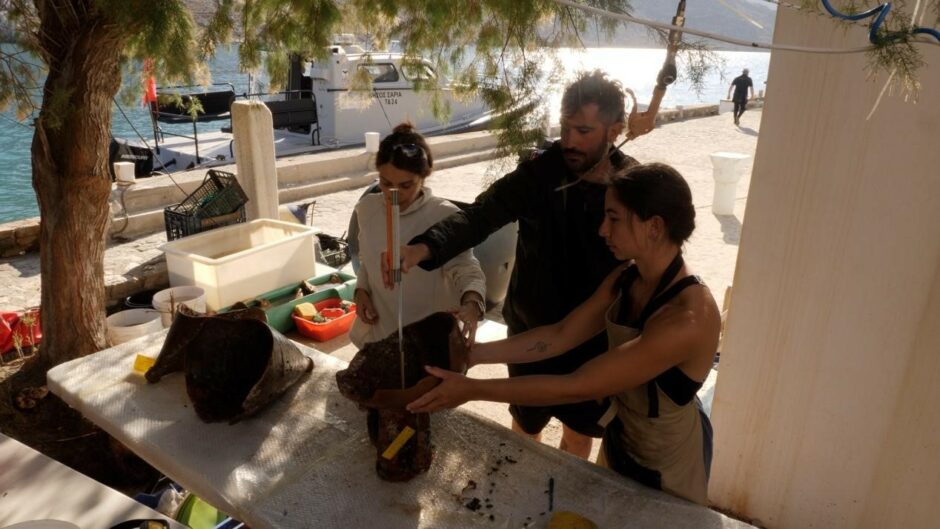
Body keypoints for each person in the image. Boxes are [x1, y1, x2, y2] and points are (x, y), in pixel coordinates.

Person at [408, 163, 720, 505]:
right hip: (621, 440)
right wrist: (472, 354)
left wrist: (472, 390)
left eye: (614, 218)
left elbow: (579, 385)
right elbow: (559, 336)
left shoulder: (687, 318)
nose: (602, 230)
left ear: (654, 227)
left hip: (669, 463)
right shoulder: (627, 278)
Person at [391, 70, 638, 459]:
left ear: (615, 130)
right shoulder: (541, 170)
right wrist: (424, 247)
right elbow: (482, 214)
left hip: (593, 339)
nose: (570, 141)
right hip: (529, 328)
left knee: (578, 436)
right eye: (565, 127)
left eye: (584, 131)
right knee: (525, 430)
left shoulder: (630, 185)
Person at [349, 123, 486, 348]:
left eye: (405, 185)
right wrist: (361, 291)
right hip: (382, 334)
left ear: (423, 176)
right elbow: (368, 260)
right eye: (386, 183)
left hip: (430, 342)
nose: (393, 193)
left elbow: (467, 269)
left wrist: (472, 302)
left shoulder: (445, 216)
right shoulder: (367, 209)